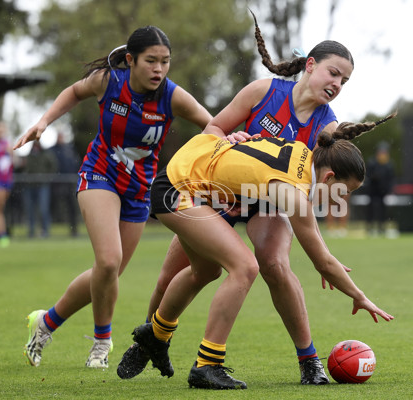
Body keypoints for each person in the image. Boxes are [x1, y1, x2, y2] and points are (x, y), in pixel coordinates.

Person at [117, 12, 394, 385]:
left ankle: (309, 361)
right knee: (175, 273)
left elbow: (312, 186)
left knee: (275, 267)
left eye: (344, 80)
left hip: (264, 200)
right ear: (310, 66)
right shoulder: (263, 92)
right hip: (212, 190)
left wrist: (325, 258)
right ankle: (150, 341)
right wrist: (226, 139)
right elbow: (214, 127)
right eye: (333, 73)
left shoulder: (327, 129)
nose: (337, 83)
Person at [122, 131, 395, 390]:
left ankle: (156, 334)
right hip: (178, 190)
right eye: (345, 190)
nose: (343, 198)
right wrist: (359, 296)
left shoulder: (304, 153)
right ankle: (207, 364)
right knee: (245, 267)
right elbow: (322, 261)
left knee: (204, 270)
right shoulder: (294, 193)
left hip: (185, 175)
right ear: (329, 178)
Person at [17, 26, 212, 368]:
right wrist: (44, 122)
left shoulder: (173, 96)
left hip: (140, 189)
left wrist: (222, 148)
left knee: (108, 272)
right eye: (151, 61)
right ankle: (101, 342)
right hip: (99, 174)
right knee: (108, 262)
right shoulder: (107, 81)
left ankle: (45, 323)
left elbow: (211, 126)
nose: (159, 69)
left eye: (165, 62)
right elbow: (74, 92)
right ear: (130, 60)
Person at [21, 140, 58, 238]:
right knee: (30, 209)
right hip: (30, 185)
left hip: (42, 185)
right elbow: (24, 169)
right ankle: (31, 231)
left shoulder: (46, 155)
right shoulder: (29, 156)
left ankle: (45, 230)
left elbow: (53, 167)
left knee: (43, 209)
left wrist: (47, 178)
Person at [50, 131, 81, 236]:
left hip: (70, 182)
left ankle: (74, 230)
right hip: (57, 183)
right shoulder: (52, 150)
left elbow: (76, 162)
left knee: (72, 206)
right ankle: (46, 230)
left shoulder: (69, 149)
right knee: (53, 205)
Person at [365, 141, 394, 236]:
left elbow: (391, 178)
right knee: (371, 209)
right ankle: (369, 227)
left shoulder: (389, 164)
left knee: (383, 210)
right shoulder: (372, 162)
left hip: (383, 191)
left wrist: (389, 190)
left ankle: (382, 228)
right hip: (373, 191)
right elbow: (368, 176)